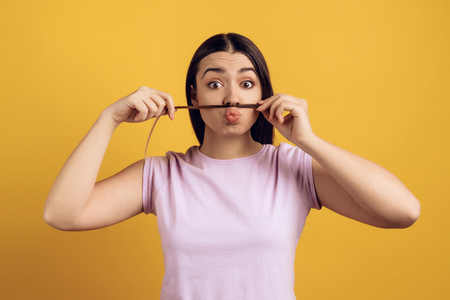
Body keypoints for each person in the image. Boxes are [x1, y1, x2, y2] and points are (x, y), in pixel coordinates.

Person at [44, 33, 420, 299]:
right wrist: (108, 119)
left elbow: (403, 211)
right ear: (193, 95)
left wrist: (308, 141)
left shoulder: (293, 168)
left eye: (246, 83)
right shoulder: (162, 175)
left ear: (262, 94)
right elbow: (62, 214)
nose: (231, 97)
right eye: (214, 84)